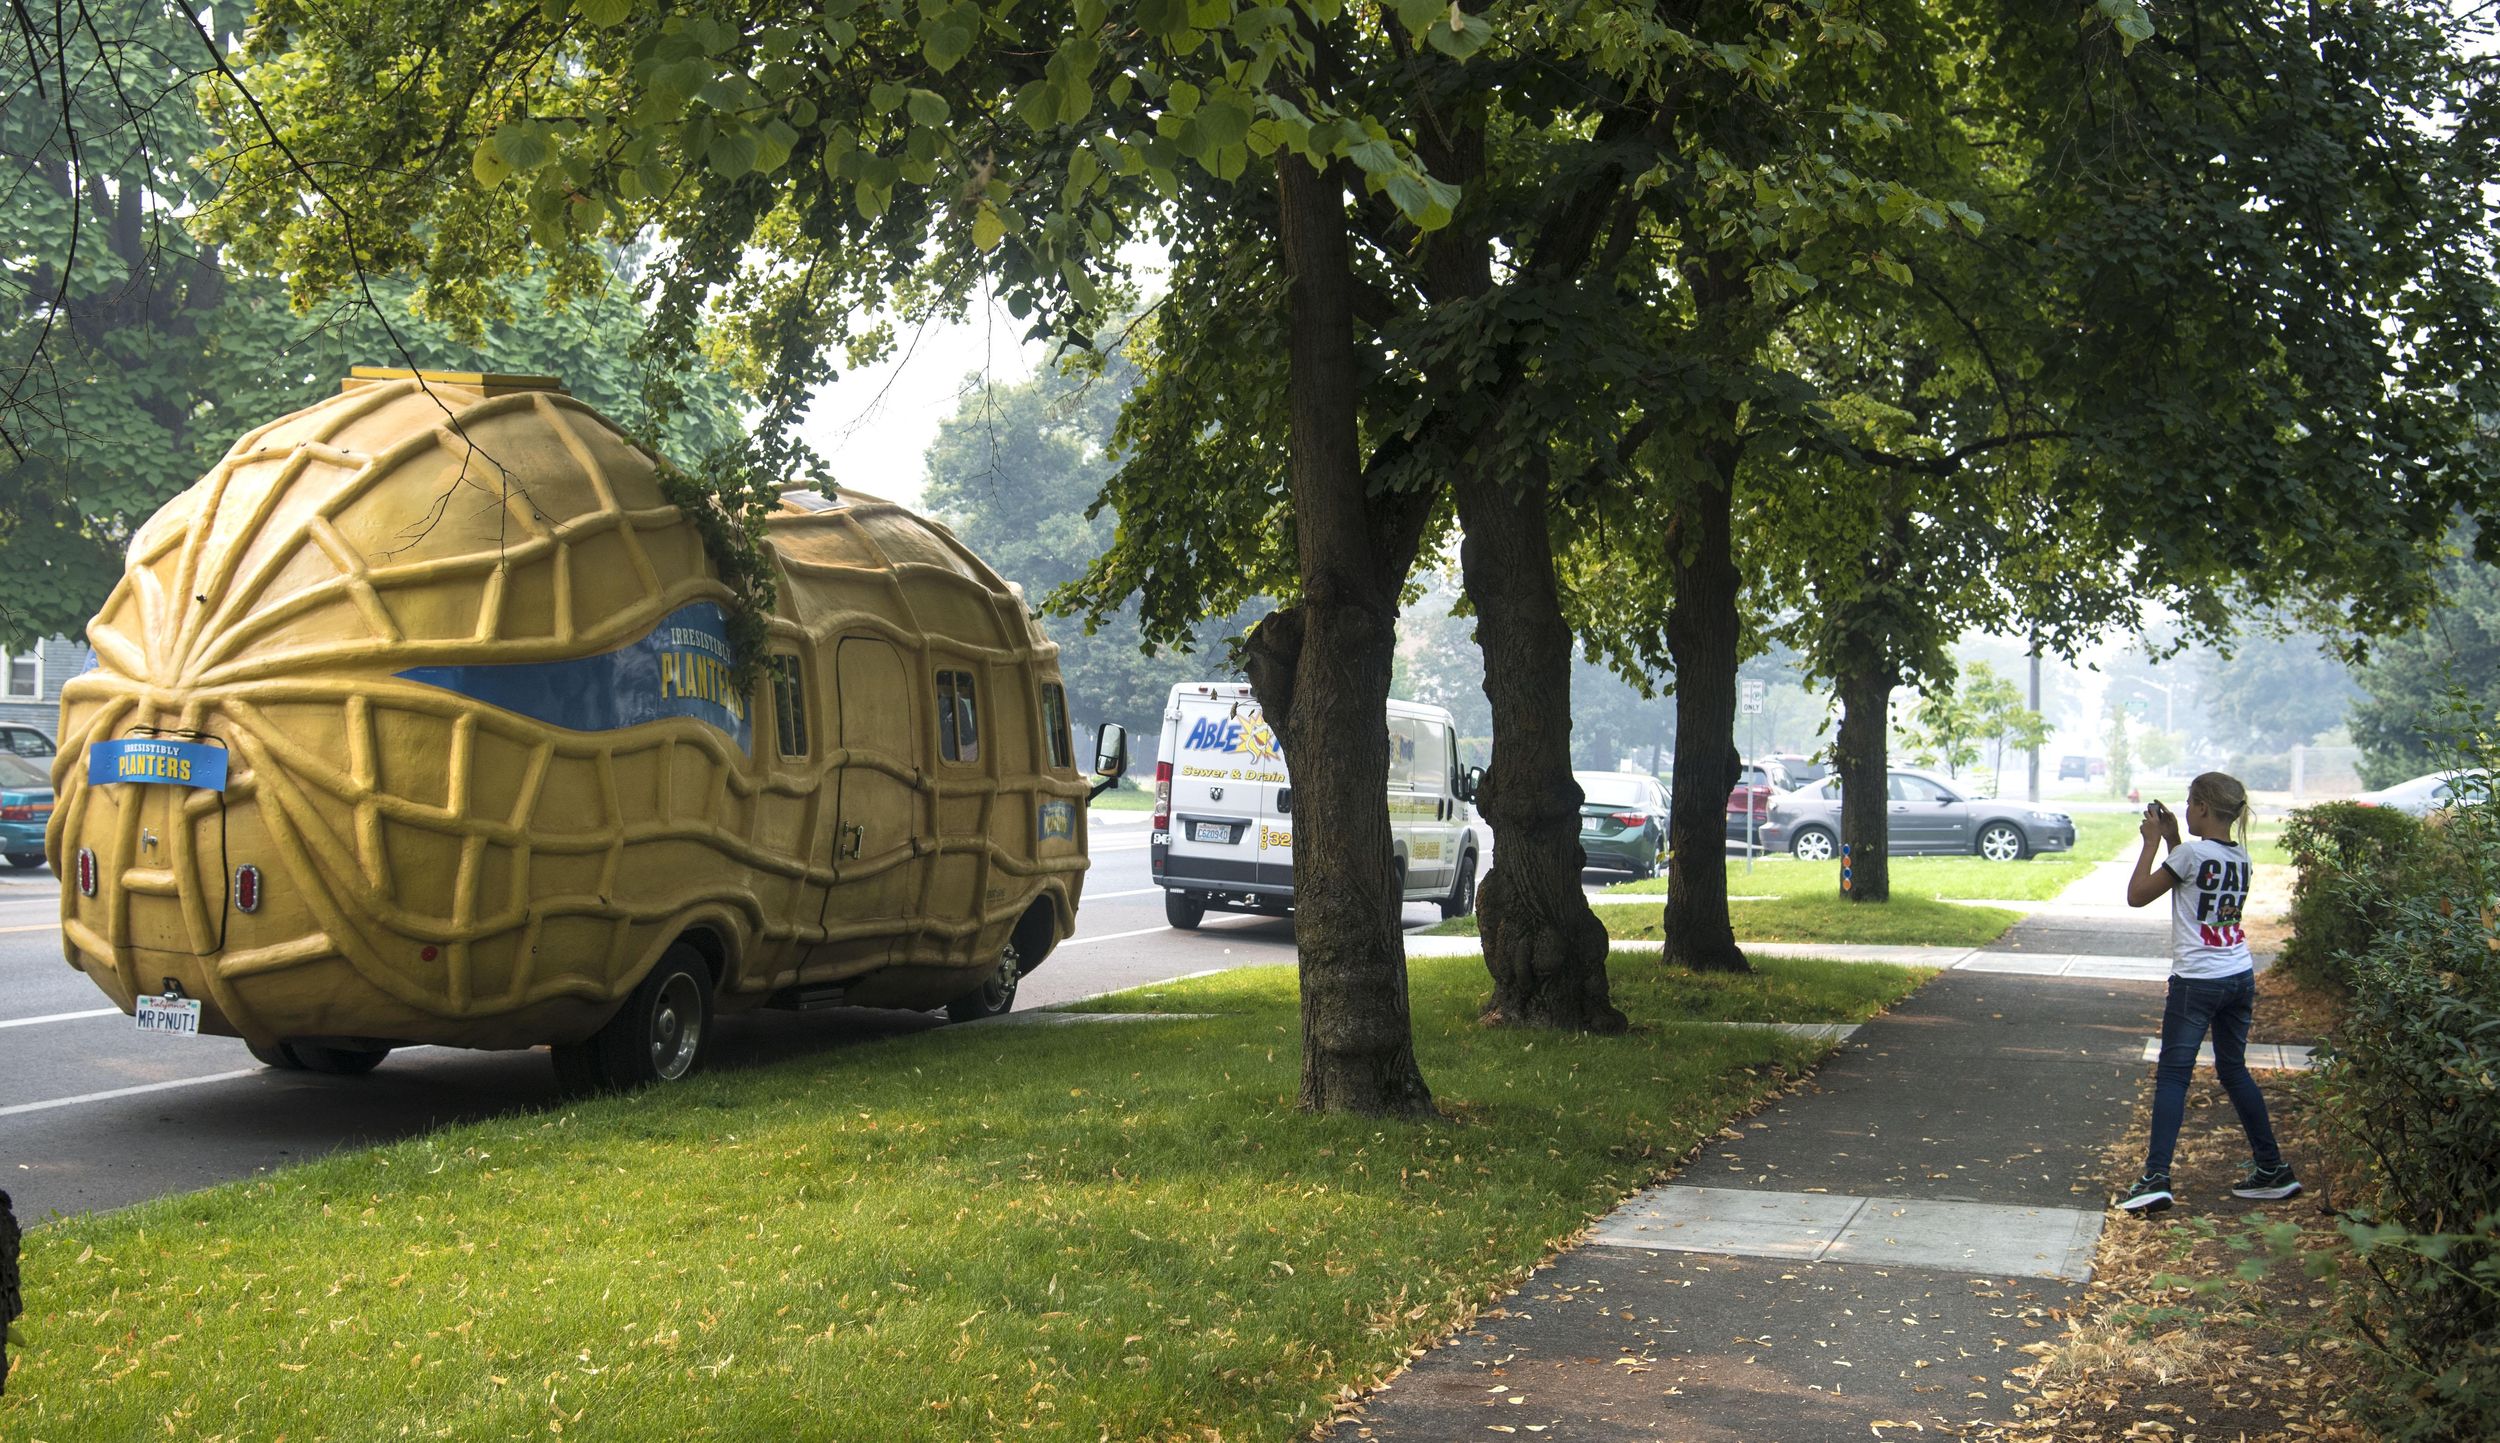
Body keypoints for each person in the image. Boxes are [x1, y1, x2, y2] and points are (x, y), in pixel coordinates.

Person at [2117, 771, 2301, 1214]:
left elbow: (2137, 895)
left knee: (2174, 1074)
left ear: (2201, 807)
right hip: (2238, 973)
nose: (2184, 810)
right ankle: (2272, 1167)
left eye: (2188, 803)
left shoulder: (2192, 855)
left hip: (2197, 981)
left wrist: (2149, 842)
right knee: (2234, 1069)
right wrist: (2173, 840)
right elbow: (2196, 877)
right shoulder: (2241, 857)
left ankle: (2156, 1177)